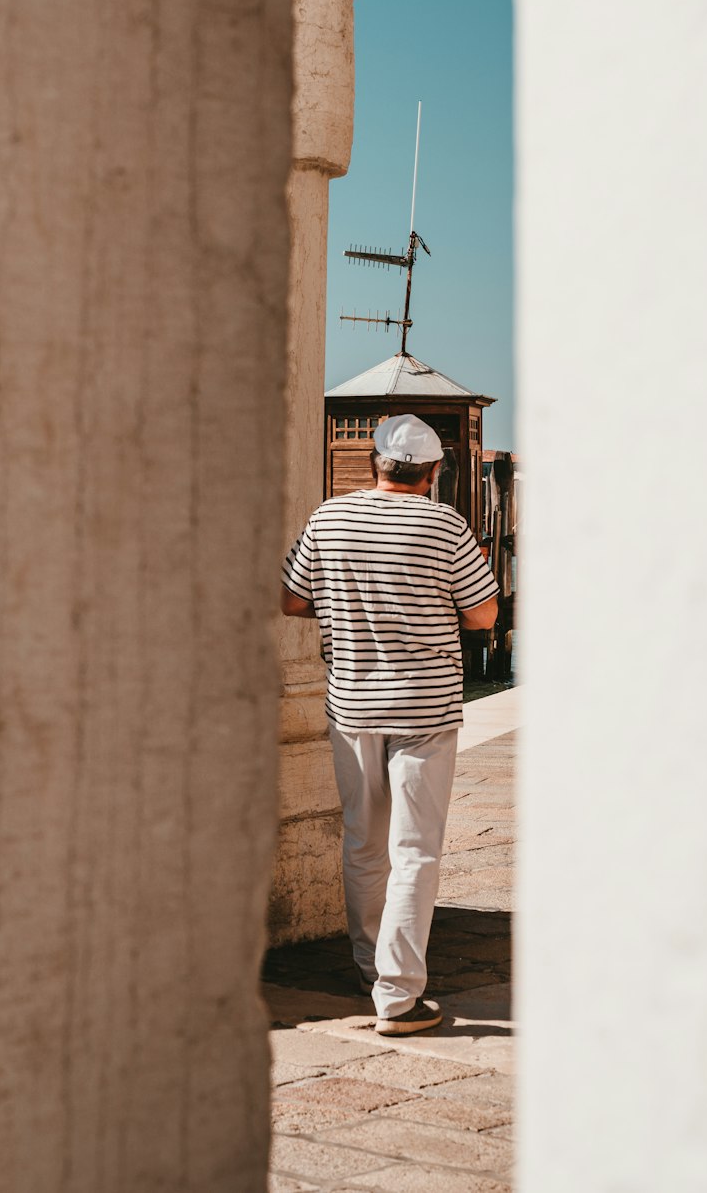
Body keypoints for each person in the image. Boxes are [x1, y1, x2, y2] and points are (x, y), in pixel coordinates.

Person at [281, 413, 499, 1035]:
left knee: (362, 841)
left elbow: (293, 599)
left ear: (374, 464)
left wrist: (352, 608)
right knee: (415, 852)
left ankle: (369, 971)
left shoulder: (329, 518)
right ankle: (398, 996)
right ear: (433, 473)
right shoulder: (446, 526)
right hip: (424, 709)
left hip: (351, 703)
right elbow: (483, 617)